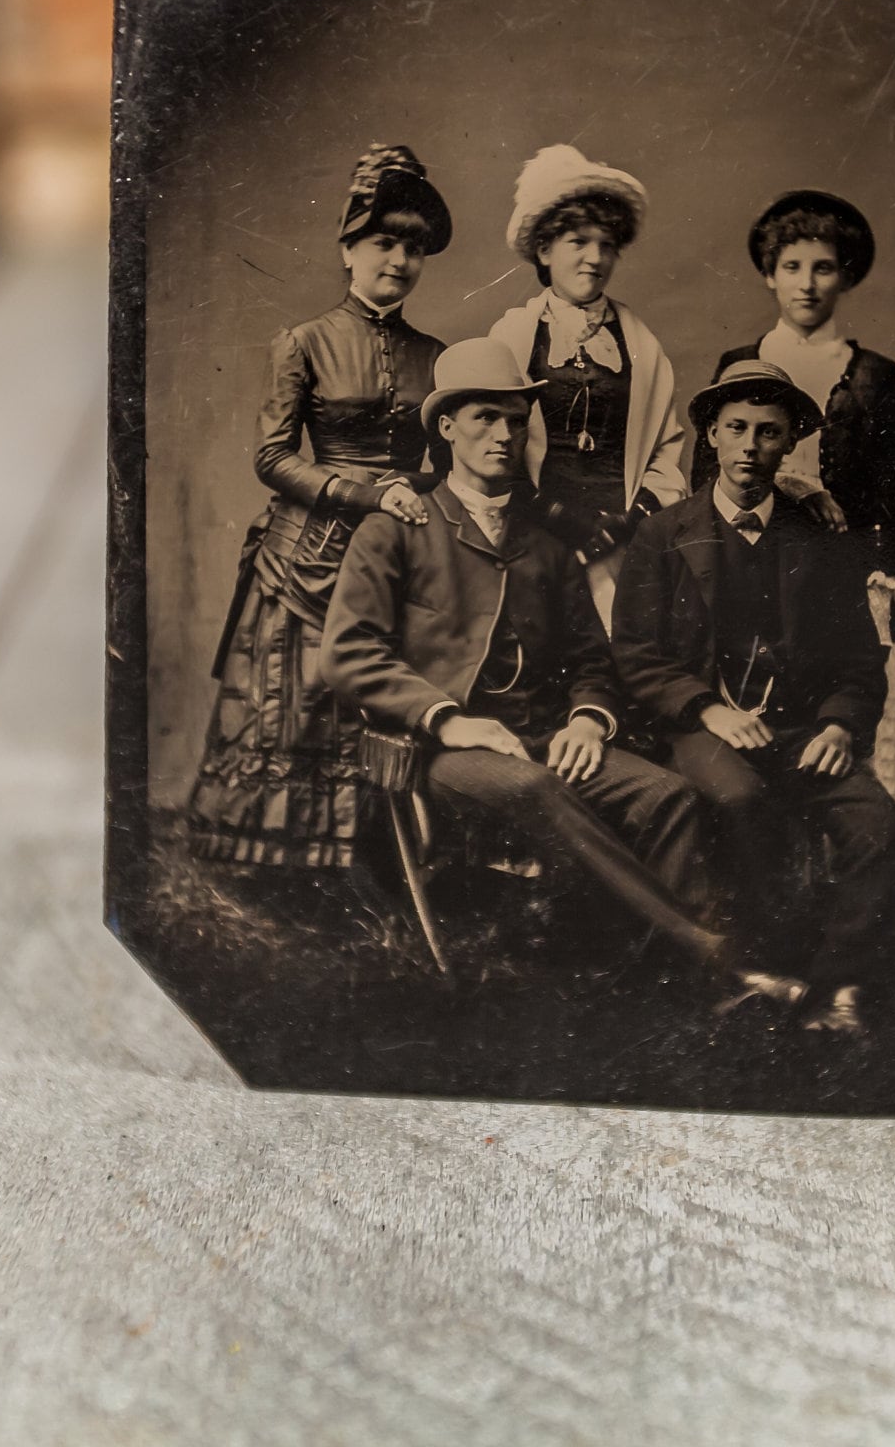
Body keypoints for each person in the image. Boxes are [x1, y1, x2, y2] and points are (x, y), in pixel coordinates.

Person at [325, 340, 809, 1010]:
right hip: (432, 752)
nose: (503, 435)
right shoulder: (396, 531)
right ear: (445, 428)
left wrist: (587, 717)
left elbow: (591, 661)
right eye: (483, 419)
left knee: (664, 793)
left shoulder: (546, 546)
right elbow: (349, 652)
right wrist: (451, 719)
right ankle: (715, 959)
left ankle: (673, 981)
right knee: (532, 785)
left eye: (515, 421)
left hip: (537, 737)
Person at [611, 360, 895, 1033]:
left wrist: (837, 726)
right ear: (710, 436)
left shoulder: (819, 544)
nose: (750, 447)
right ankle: (760, 971)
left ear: (789, 444)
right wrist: (705, 708)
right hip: (702, 728)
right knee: (741, 801)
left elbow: (861, 661)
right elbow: (636, 654)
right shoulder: (662, 536)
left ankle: (835, 989)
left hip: (801, 729)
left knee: (882, 828)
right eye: (736, 429)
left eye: (769, 433)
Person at [183, 144, 451, 871]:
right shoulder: (302, 342)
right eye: (383, 243)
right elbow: (272, 458)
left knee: (372, 703)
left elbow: (448, 468)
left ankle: (365, 867)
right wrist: (367, 495)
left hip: (396, 554)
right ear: (348, 248)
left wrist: (415, 499)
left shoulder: (437, 356)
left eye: (412, 249)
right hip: (304, 559)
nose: (397, 261)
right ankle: (276, 868)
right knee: (293, 705)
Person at [485, 144, 689, 628]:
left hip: (622, 538)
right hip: (535, 531)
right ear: (544, 249)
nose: (595, 258)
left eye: (607, 244)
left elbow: (665, 451)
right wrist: (559, 520)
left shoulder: (641, 344)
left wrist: (628, 522)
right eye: (578, 241)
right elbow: (489, 446)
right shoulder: (511, 337)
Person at [698, 190, 895, 583]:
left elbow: (890, 495)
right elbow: (707, 473)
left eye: (824, 268)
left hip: (838, 562)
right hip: (746, 551)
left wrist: (881, 574)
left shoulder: (873, 375)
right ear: (770, 274)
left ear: (845, 277)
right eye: (792, 267)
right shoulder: (738, 363)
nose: (807, 284)